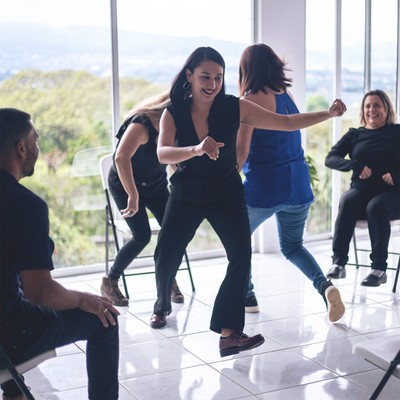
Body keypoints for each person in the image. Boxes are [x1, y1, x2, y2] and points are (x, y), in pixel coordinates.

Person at [149, 46, 346, 357]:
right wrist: (196, 149)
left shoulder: (234, 107)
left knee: (241, 256)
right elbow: (162, 153)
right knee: (166, 255)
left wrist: (328, 114)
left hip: (226, 191)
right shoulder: (173, 112)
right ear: (189, 76)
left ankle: (229, 333)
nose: (211, 84)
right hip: (187, 191)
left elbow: (287, 122)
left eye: (217, 77)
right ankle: (161, 305)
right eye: (204, 77)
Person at [0, 108, 120, 400]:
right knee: (104, 319)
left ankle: (14, 391)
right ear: (21, 148)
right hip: (7, 336)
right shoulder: (26, 206)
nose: (38, 149)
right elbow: (40, 292)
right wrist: (83, 298)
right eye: (36, 141)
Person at [236, 43, 345, 322]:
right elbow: (292, 124)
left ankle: (247, 295)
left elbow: (242, 151)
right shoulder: (285, 93)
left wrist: (229, 177)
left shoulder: (249, 100)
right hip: (298, 184)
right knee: (293, 246)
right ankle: (325, 287)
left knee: (237, 239)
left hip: (265, 186)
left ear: (246, 69)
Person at [100, 92, 185, 306]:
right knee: (142, 235)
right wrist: (132, 194)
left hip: (155, 183)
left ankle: (166, 278)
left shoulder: (178, 125)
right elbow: (120, 158)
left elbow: (172, 158)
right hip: (124, 183)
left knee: (175, 229)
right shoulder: (142, 124)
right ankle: (110, 281)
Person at [325, 89, 400, 286]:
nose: (372, 110)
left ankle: (378, 269)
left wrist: (396, 176)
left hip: (393, 194)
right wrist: (355, 166)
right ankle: (338, 264)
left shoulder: (397, 132)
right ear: (363, 110)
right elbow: (331, 158)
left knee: (376, 206)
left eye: (377, 105)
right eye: (368, 106)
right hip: (362, 191)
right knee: (348, 199)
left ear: (386, 109)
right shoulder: (355, 135)